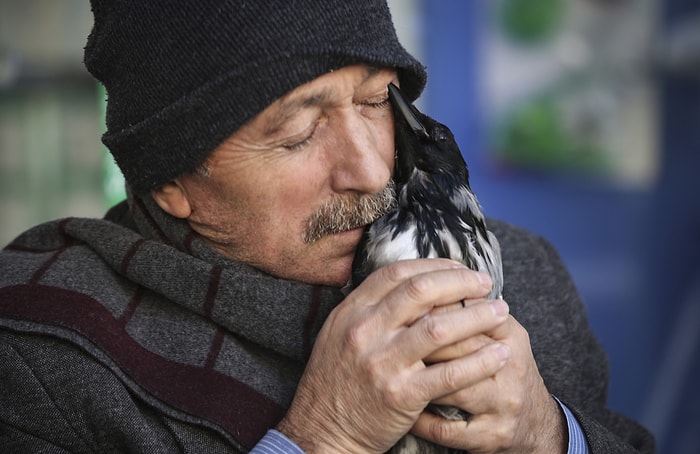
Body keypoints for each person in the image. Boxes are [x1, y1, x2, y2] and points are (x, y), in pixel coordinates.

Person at [0, 1, 654, 453]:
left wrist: (548, 435)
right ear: (171, 184)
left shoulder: (526, 281)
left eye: (377, 103)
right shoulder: (43, 357)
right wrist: (325, 438)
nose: (372, 171)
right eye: (297, 134)